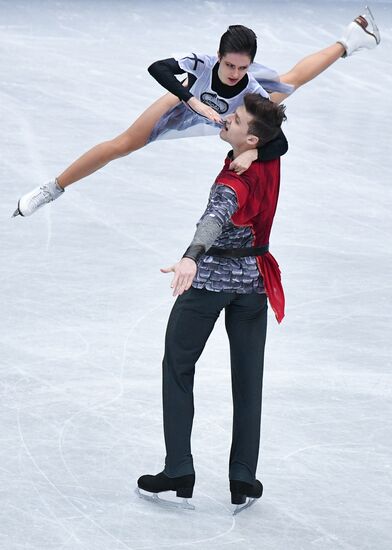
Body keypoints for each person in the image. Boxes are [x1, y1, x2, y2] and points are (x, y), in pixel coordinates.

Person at [13, 7, 380, 218]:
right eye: (230, 65)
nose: (236, 73)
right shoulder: (201, 62)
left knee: (291, 82)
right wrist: (190, 99)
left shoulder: (251, 91)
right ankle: (54, 187)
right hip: (181, 104)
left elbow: (278, 140)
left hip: (224, 120)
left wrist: (253, 149)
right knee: (122, 144)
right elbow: (156, 67)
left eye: (243, 67)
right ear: (219, 57)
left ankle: (351, 39)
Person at [136, 92, 287, 514]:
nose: (226, 119)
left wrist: (190, 256)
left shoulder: (232, 181)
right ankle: (243, 476)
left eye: (235, 119)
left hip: (210, 282)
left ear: (251, 139)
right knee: (248, 378)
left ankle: (178, 469)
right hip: (254, 285)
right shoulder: (271, 159)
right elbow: (280, 141)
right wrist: (254, 156)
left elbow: (213, 220)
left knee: (178, 366)